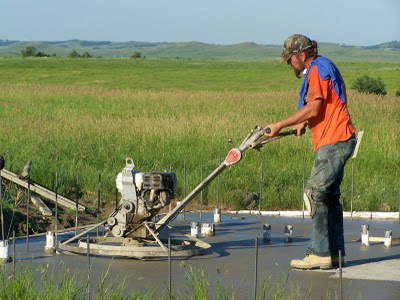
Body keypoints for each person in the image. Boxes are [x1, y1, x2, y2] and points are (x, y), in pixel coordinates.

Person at [264, 34, 356, 270]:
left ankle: (319, 253)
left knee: (314, 193)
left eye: (290, 58)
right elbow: (320, 105)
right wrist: (302, 122)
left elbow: (314, 106)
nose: (288, 63)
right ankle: (335, 254)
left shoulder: (316, 70)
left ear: (301, 55)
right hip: (339, 139)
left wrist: (280, 125)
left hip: (334, 141)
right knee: (329, 197)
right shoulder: (324, 65)